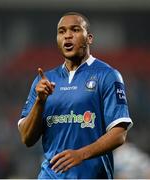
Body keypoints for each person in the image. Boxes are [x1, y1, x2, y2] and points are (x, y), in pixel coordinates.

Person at [18, 12, 133, 179]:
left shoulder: (107, 75)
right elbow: (26, 138)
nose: (68, 36)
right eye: (62, 31)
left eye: (75, 29)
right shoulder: (44, 80)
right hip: (50, 176)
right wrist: (39, 102)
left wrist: (81, 154)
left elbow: (119, 134)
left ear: (89, 38)